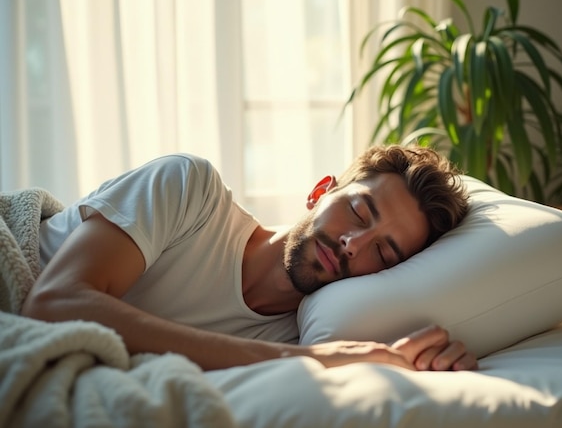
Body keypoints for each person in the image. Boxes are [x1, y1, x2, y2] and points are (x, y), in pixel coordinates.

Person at [22, 144, 477, 372]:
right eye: (358, 211)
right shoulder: (189, 191)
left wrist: (437, 365)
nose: (353, 245)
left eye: (383, 252)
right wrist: (307, 359)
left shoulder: (314, 328)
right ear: (321, 191)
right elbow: (55, 303)